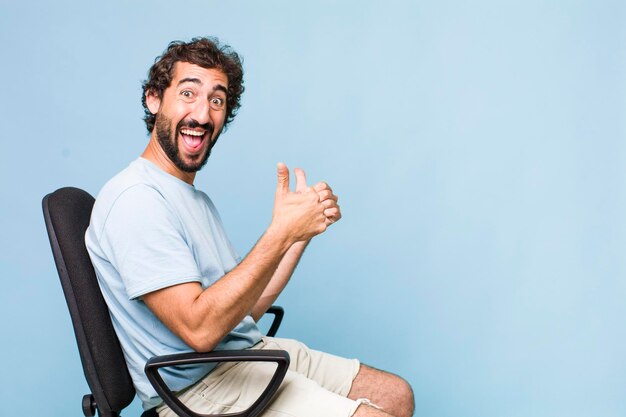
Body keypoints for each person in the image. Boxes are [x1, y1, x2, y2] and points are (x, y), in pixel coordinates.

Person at [86, 37, 414, 417]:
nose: (202, 114)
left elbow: (242, 310)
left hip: (245, 358)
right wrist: (280, 233)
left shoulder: (192, 199)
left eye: (217, 100)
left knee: (395, 396)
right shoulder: (136, 200)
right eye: (188, 93)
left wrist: (296, 236)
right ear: (154, 99)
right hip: (199, 390)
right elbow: (201, 330)